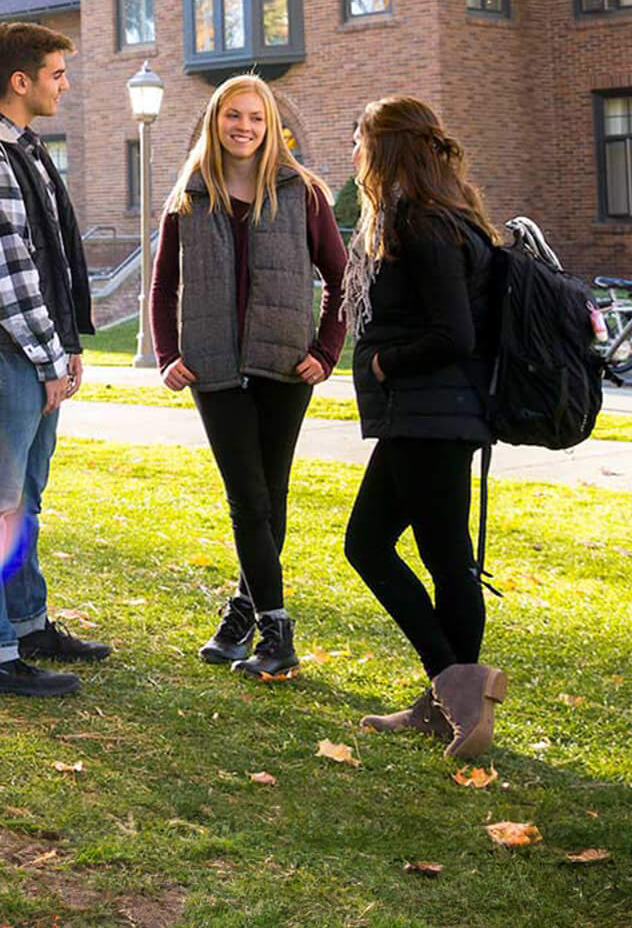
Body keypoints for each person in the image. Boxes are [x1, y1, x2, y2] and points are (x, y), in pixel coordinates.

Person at [0, 20, 109, 700]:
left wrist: (65, 347)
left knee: (22, 500)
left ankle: (26, 626)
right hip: (2, 354)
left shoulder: (19, 149)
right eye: (58, 74)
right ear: (20, 81)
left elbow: (45, 263)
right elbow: (8, 278)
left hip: (29, 354)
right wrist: (49, 355)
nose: (65, 84)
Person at [149, 75, 347, 681]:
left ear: (271, 126)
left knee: (271, 495)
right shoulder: (189, 195)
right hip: (212, 368)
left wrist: (327, 350)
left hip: (285, 366)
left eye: (256, 118)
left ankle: (244, 614)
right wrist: (167, 353)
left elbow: (345, 280)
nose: (244, 127)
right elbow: (162, 286)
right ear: (216, 121)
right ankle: (275, 630)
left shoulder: (302, 192)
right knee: (248, 499)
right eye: (233, 116)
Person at [341, 96, 510, 761]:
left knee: (373, 545)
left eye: (359, 140)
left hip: (429, 417)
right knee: (444, 559)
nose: (353, 153)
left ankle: (454, 687)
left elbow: (453, 335)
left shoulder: (423, 224)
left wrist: (385, 361)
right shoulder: (447, 216)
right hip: (435, 417)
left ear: (386, 149)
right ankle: (448, 702)